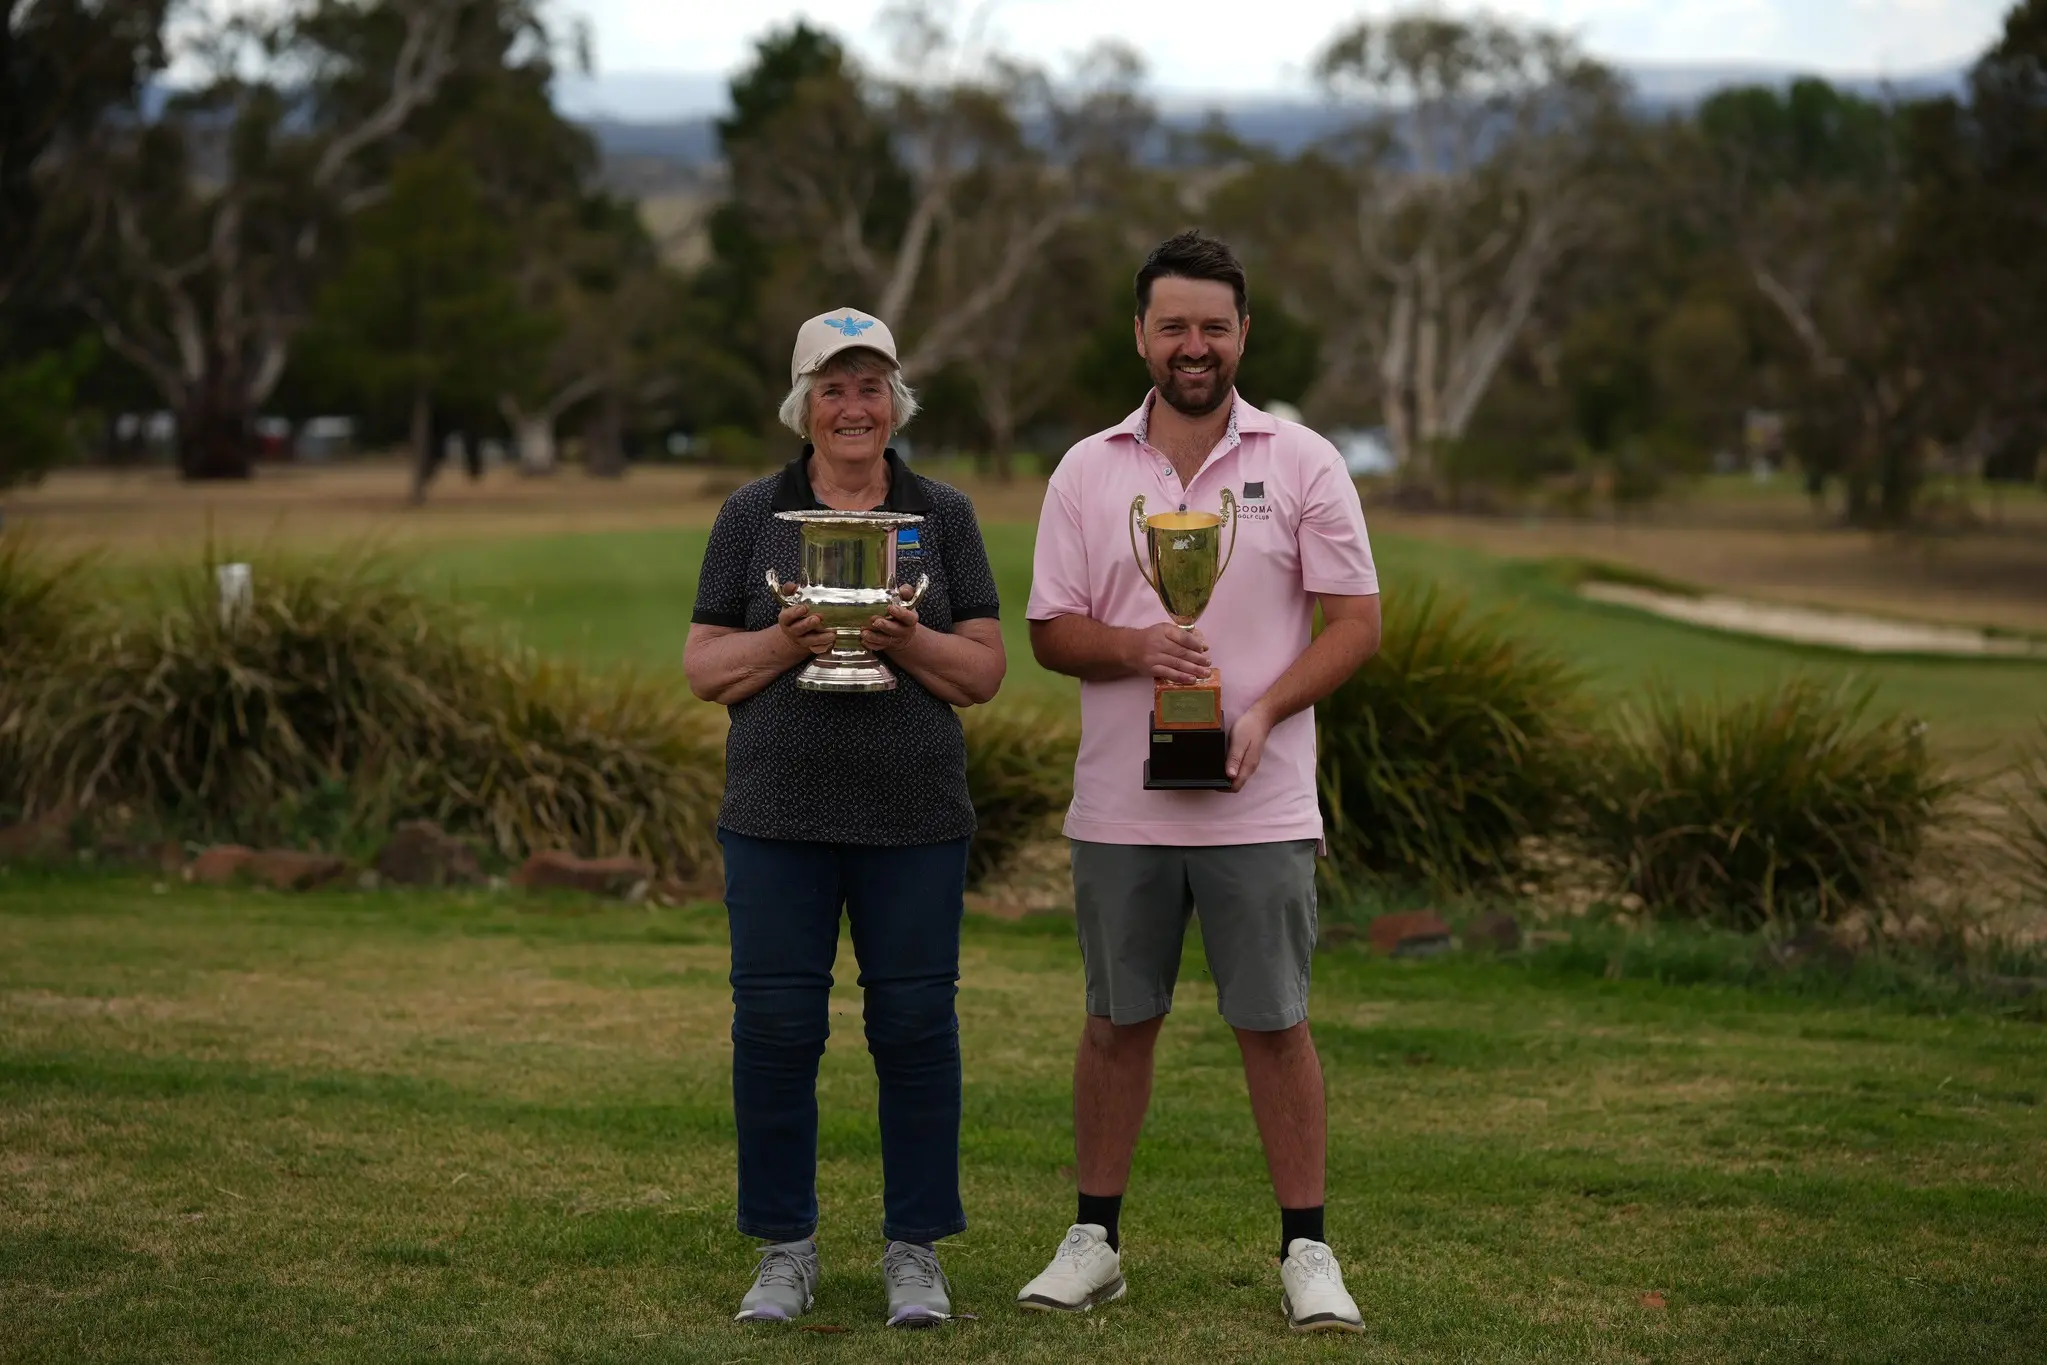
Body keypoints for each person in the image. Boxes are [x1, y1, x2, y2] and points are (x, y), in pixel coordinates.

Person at [1016, 231, 1383, 1334]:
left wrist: (1263, 711)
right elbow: (1049, 631)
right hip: (1120, 805)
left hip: (1258, 803)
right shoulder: (1086, 470)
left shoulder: (1305, 461)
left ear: (1242, 336)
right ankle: (1094, 1242)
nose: (1193, 345)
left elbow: (1354, 624)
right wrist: (1139, 648)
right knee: (1115, 1021)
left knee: (1274, 1025)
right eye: (1172, 325)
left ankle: (1308, 1250)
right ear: (1140, 334)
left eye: (1213, 327)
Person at [683, 308, 1007, 1329]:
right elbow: (705, 668)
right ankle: (785, 1250)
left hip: (915, 816)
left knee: (914, 1031)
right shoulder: (751, 514)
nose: (854, 407)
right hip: (774, 815)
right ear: (804, 405)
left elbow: (983, 671)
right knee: (776, 1032)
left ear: (895, 401)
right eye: (834, 388)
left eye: (871, 387)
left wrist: (902, 639)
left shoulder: (943, 514)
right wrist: (789, 642)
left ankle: (915, 1251)